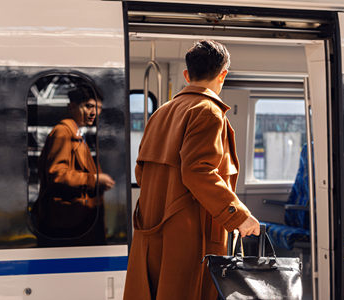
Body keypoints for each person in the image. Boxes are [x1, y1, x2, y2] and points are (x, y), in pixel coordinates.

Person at [124, 40, 260, 300]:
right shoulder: (208, 111)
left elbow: (141, 174)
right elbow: (198, 171)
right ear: (223, 75)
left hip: (154, 234)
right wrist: (239, 216)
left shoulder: (161, 113)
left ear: (187, 75)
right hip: (190, 240)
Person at [32, 84, 115, 246]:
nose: (94, 113)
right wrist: (95, 179)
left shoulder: (76, 133)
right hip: (69, 223)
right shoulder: (63, 132)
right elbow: (57, 174)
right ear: (72, 107)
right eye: (89, 106)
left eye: (98, 108)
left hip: (75, 220)